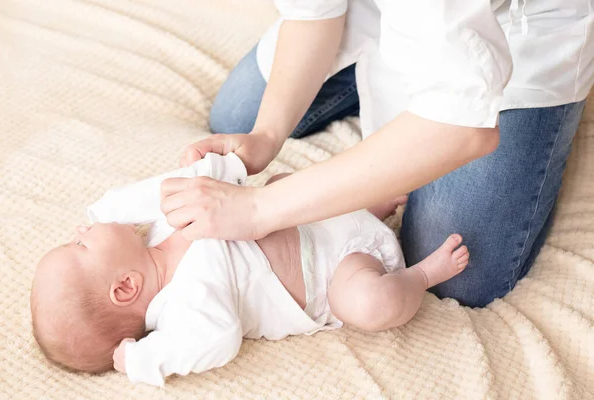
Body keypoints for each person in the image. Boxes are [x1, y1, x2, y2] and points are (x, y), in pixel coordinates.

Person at [165, 0, 594, 307]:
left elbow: (464, 129)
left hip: (516, 33)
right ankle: (393, 84)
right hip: (386, 13)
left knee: (456, 272)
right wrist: (266, 134)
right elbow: (313, 15)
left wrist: (259, 208)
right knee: (236, 117)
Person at [30, 153, 469, 387]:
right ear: (126, 287)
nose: (82, 229)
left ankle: (370, 202)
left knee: (282, 184)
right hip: (342, 271)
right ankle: (422, 276)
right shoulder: (183, 307)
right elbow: (215, 341)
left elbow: (186, 179)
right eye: (79, 243)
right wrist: (144, 359)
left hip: (323, 216)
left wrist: (104, 210)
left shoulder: (164, 223)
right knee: (367, 304)